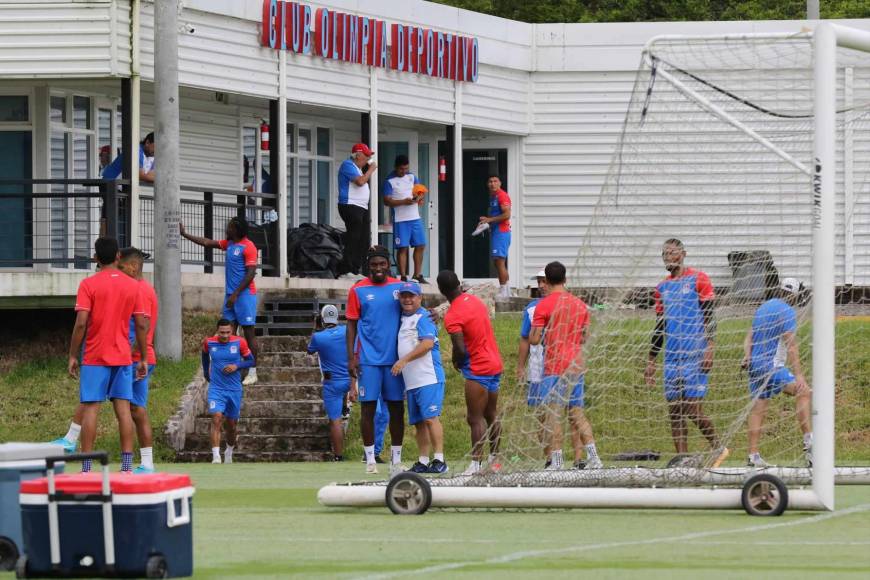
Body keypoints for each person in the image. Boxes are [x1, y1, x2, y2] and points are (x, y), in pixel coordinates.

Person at [644, 239, 729, 467]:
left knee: (692, 408)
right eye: (664, 253)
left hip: (695, 354)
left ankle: (719, 448)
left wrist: (710, 348)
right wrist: (651, 360)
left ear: (683, 254)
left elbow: (710, 317)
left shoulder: (699, 279)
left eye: (671, 252)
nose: (667, 256)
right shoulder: (661, 288)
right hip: (671, 358)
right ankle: (683, 459)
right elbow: (660, 326)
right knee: (675, 412)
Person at [67, 237, 148, 473]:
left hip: (94, 356)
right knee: (123, 410)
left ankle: (86, 467)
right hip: (122, 355)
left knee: (91, 408)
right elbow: (141, 324)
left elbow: (81, 323)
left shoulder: (88, 285)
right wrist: (142, 357)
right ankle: (126, 467)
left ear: (95, 258)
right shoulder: (133, 285)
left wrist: (73, 355)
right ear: (118, 257)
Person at [529, 261, 602, 470]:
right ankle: (594, 458)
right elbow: (585, 336)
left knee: (554, 414)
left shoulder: (543, 305)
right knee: (577, 413)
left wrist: (543, 334)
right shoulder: (579, 304)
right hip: (576, 365)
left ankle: (557, 462)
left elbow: (534, 339)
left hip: (554, 367)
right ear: (565, 279)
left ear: (547, 281)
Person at [346, 246, 406, 474]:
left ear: (388, 264)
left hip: (395, 361)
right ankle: (370, 458)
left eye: (382, 264)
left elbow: (411, 312)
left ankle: (396, 460)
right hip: (368, 360)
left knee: (397, 409)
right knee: (368, 409)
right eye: (374, 264)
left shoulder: (398, 288)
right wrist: (351, 357)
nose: (378, 268)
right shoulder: (358, 290)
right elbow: (351, 325)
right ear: (368, 266)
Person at [742, 278, 813, 467]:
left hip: (755, 367)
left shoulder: (763, 307)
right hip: (771, 367)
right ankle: (810, 443)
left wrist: (747, 357)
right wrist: (799, 375)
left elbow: (749, 336)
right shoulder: (787, 311)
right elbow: (791, 346)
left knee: (758, 410)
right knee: (804, 391)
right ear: (795, 295)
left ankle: (753, 456)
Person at [180, 216, 259, 385]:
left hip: (244, 295)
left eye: (229, 227)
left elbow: (251, 273)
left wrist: (236, 294)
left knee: (248, 332)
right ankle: (232, 368)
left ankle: (252, 370)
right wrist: (185, 234)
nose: (227, 229)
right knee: (228, 331)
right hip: (230, 296)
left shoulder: (249, 246)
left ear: (237, 229)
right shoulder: (229, 244)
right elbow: (208, 242)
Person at [438, 270, 503, 475]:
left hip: (478, 367)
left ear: (441, 290)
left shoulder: (452, 315)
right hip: (495, 363)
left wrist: (457, 361)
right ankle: (495, 462)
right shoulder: (475, 301)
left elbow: (460, 348)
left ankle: (475, 465)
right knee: (491, 414)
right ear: (459, 283)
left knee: (475, 418)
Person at [391, 281, 448, 474]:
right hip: (412, 380)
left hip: (428, 377)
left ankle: (440, 459)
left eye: (411, 296)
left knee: (431, 418)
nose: (407, 299)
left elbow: (427, 345)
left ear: (420, 298)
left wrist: (403, 361)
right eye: (404, 296)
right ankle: (423, 461)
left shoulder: (424, 317)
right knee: (418, 422)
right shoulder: (401, 318)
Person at [118, 247, 159, 473]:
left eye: (122, 267)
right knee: (136, 409)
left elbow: (141, 326)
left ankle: (135, 464)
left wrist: (131, 354)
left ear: (133, 267)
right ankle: (146, 463)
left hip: (136, 358)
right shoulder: (144, 288)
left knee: (126, 408)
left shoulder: (139, 290)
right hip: (141, 357)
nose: (120, 272)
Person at [308, 304, 357, 461]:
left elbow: (310, 350)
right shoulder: (346, 331)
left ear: (322, 319)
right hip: (350, 379)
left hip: (332, 382)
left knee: (335, 421)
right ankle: (345, 407)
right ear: (336, 317)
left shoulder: (318, 337)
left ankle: (338, 456)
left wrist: (315, 328)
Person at [202, 319, 255, 464]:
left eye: (227, 332)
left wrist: (236, 366)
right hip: (216, 388)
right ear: (217, 331)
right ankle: (216, 457)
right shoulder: (209, 342)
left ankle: (229, 451)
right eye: (221, 332)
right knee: (216, 418)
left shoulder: (240, 342)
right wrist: (206, 373)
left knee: (231, 425)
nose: (224, 335)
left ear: (232, 330)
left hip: (234, 389)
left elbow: (251, 361)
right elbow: (204, 355)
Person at [517, 269, 551, 465]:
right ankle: (549, 457)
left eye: (544, 281)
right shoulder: (531, 308)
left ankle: (580, 458)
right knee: (541, 414)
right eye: (539, 281)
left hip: (558, 367)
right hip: (537, 369)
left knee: (568, 412)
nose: (541, 285)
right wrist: (521, 366)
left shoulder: (563, 303)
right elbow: (524, 339)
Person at [383, 155, 427, 283]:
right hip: (400, 219)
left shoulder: (412, 177)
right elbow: (386, 201)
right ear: (396, 167)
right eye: (402, 169)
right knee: (403, 247)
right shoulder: (389, 180)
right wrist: (404, 202)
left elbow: (419, 191)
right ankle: (402, 276)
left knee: (420, 245)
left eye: (406, 168)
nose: (404, 171)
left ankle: (417, 275)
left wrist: (419, 197)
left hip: (415, 217)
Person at [337, 143, 378, 277]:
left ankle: (356, 268)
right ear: (358, 155)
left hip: (360, 207)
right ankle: (346, 269)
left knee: (363, 238)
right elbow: (360, 182)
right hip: (350, 205)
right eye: (366, 156)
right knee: (354, 237)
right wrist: (371, 169)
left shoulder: (358, 168)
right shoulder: (348, 165)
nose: (367, 159)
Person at [478, 175, 511, 298]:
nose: (492, 183)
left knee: (499, 262)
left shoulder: (502, 195)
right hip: (497, 232)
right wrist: (487, 221)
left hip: (502, 232)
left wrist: (490, 219)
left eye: (495, 181)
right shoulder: (493, 196)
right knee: (499, 262)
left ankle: (503, 291)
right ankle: (507, 290)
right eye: (490, 181)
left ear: (500, 183)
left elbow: (507, 214)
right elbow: (495, 215)